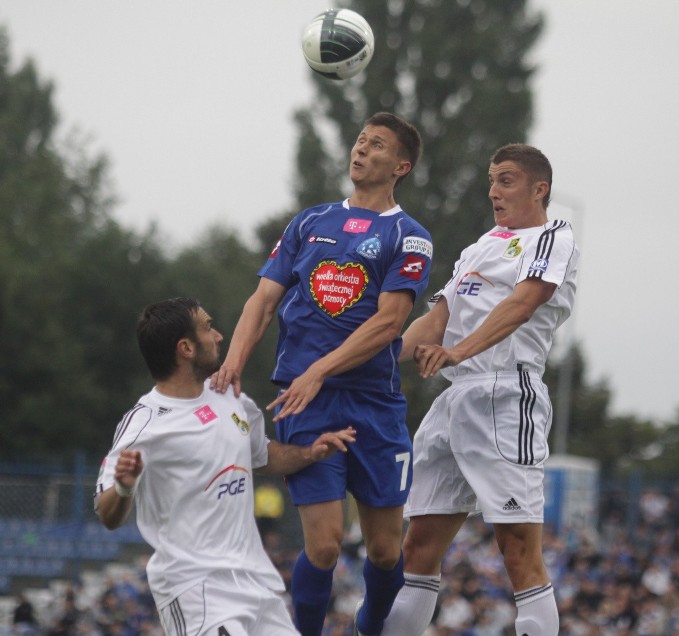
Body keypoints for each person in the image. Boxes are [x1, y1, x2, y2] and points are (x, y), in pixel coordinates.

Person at [209, 112, 431, 636]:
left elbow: (390, 322)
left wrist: (320, 369)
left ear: (400, 166)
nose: (360, 151)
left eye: (376, 146)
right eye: (359, 141)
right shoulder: (309, 222)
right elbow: (263, 299)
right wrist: (234, 361)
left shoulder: (410, 236)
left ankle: (368, 627)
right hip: (305, 404)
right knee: (325, 544)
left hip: (374, 404)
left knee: (382, 552)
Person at [382, 143, 580, 636]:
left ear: (541, 189)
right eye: (491, 180)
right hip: (456, 398)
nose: (494, 190)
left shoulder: (555, 237)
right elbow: (437, 320)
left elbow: (524, 303)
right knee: (417, 546)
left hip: (506, 395)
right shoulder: (481, 244)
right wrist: (368, 357)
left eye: (506, 180)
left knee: (518, 551)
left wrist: (458, 351)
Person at [94, 297, 356, 636]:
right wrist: (126, 486)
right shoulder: (144, 423)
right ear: (186, 348)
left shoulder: (230, 397)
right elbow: (107, 514)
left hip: (257, 583)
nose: (219, 336)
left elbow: (261, 455)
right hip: (195, 588)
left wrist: (310, 453)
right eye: (207, 327)